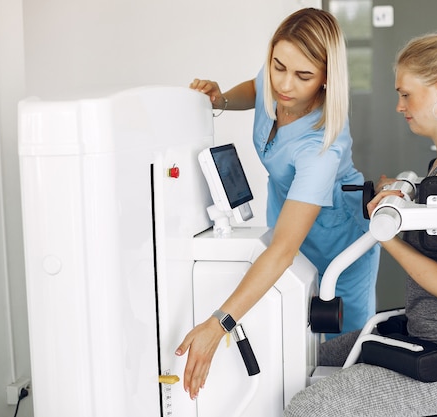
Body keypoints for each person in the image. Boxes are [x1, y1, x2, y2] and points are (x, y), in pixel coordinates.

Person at [284, 34, 437, 416]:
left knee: (310, 407)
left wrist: (387, 235)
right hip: (426, 335)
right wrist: (399, 197)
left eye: (407, 95)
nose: (399, 106)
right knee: (297, 357)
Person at [175, 7, 380, 400]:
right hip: (287, 212)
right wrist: (221, 99)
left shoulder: (320, 148)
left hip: (341, 241)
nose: (285, 85)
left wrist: (218, 325)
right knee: (290, 337)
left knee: (341, 359)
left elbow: (284, 250)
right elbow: (257, 88)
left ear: (326, 80)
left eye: (303, 76)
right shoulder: (277, 80)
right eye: (278, 66)